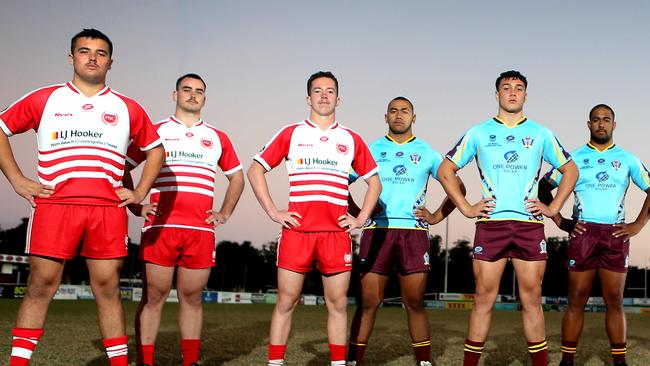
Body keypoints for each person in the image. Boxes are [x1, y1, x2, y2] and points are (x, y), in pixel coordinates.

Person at [0, 29, 164, 366]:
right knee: (40, 284)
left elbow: (156, 150)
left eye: (100, 53)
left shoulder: (127, 107)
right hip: (55, 206)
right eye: (84, 51)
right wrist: (17, 179)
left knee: (107, 288)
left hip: (107, 210)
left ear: (110, 62)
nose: (92, 57)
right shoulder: (45, 99)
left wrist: (139, 191)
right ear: (71, 56)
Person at [437, 70, 578, 366]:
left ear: (526, 95)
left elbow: (571, 171)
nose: (512, 92)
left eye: (518, 88)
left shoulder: (540, 133)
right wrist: (464, 207)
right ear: (497, 94)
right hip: (491, 225)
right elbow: (445, 170)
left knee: (532, 299)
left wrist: (553, 209)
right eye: (506, 87)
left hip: (529, 226)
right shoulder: (478, 132)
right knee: (483, 298)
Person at [247, 71, 381, 366]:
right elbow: (255, 170)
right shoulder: (291, 133)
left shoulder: (351, 138)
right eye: (318, 90)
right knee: (285, 302)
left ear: (338, 98)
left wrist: (359, 219)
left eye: (330, 91)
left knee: (337, 305)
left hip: (335, 235)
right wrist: (273, 211)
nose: (324, 95)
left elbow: (374, 183)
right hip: (298, 232)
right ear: (308, 98)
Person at [124, 73, 245, 366]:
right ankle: (145, 361)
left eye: (199, 91)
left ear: (205, 97)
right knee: (154, 297)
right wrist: (136, 206)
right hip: (161, 227)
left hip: (200, 230)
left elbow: (237, 178)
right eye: (187, 90)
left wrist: (224, 212)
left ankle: (189, 361)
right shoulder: (156, 132)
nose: (193, 95)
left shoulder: (217, 137)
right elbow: (123, 166)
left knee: (192, 298)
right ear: (174, 94)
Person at [346, 97, 463, 366]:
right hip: (377, 231)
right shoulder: (370, 149)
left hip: (414, 234)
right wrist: (359, 213)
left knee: (415, 303)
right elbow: (342, 183)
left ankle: (423, 362)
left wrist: (435, 215)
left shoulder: (427, 152)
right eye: (393, 111)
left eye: (405, 111)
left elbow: (459, 187)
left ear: (414, 117)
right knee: (368, 302)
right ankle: (353, 361)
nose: (399, 115)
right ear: (385, 117)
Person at [538, 104, 650, 366]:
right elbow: (544, 186)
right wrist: (560, 220)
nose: (601, 124)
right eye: (596, 120)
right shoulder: (573, 158)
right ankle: (568, 361)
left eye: (606, 119)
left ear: (614, 125)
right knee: (577, 299)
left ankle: (619, 362)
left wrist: (637, 225)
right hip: (583, 232)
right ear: (588, 125)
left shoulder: (627, 159)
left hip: (615, 234)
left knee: (614, 300)